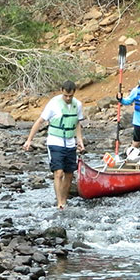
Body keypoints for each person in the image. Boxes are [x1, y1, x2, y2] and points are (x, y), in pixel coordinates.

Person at [23, 81, 85, 209]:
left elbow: (77, 123)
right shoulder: (53, 104)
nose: (68, 98)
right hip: (55, 142)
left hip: (70, 143)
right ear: (61, 91)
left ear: (74, 93)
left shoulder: (77, 105)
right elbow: (40, 121)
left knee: (69, 173)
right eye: (65, 96)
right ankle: (59, 203)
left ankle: (64, 200)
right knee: (58, 172)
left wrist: (79, 140)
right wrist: (29, 140)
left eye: (70, 96)